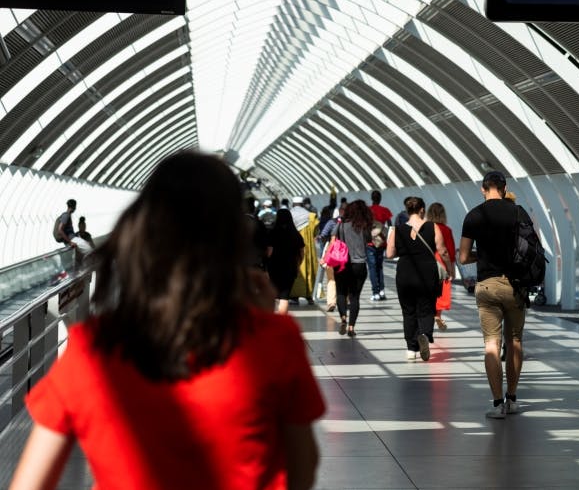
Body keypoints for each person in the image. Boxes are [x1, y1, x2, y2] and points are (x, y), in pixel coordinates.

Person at [10, 151, 324, 490]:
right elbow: (302, 464)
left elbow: (30, 483)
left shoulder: (93, 349)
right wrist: (260, 320)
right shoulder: (274, 340)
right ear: (233, 237)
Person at [459, 171, 526, 419]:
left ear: (483, 188)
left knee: (491, 344)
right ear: (505, 187)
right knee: (516, 341)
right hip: (515, 285)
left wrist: (482, 256)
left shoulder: (474, 215)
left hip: (487, 285)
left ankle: (497, 404)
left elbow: (464, 257)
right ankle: (513, 398)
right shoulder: (517, 213)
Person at [386, 196, 447, 361]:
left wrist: (404, 250)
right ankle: (425, 335)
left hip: (405, 273)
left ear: (407, 210)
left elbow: (389, 254)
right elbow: (442, 250)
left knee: (408, 312)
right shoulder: (432, 227)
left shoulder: (397, 229)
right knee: (426, 308)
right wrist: (448, 268)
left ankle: (411, 349)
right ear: (422, 210)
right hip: (427, 273)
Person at [330, 200, 371, 336]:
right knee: (355, 297)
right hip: (359, 264)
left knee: (341, 293)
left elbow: (332, 241)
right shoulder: (364, 227)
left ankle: (343, 318)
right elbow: (369, 241)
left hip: (342, 263)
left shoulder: (340, 226)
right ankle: (351, 327)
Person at [267, 208, 305, 315]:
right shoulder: (295, 234)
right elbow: (302, 253)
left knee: (273, 295)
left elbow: (269, 252)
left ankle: (271, 319)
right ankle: (282, 320)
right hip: (290, 267)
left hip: (274, 267)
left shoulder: (273, 233)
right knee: (284, 296)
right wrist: (298, 264)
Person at [426, 202, 456, 330]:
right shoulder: (446, 230)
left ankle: (429, 315)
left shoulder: (425, 228)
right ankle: (437, 315)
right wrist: (451, 269)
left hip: (427, 262)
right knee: (441, 291)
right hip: (442, 262)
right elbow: (449, 250)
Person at [288, 197, 318, 303]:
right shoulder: (311, 216)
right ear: (302, 204)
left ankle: (293, 295)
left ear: (293, 204)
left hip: (292, 247)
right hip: (307, 247)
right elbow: (315, 232)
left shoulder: (289, 215)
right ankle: (309, 295)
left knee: (294, 268)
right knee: (309, 268)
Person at [367, 191, 393, 301]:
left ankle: (375, 292)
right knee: (379, 266)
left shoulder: (367, 210)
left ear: (372, 198)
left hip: (370, 242)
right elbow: (390, 225)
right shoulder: (385, 211)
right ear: (380, 199)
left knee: (372, 267)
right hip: (381, 242)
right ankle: (382, 290)